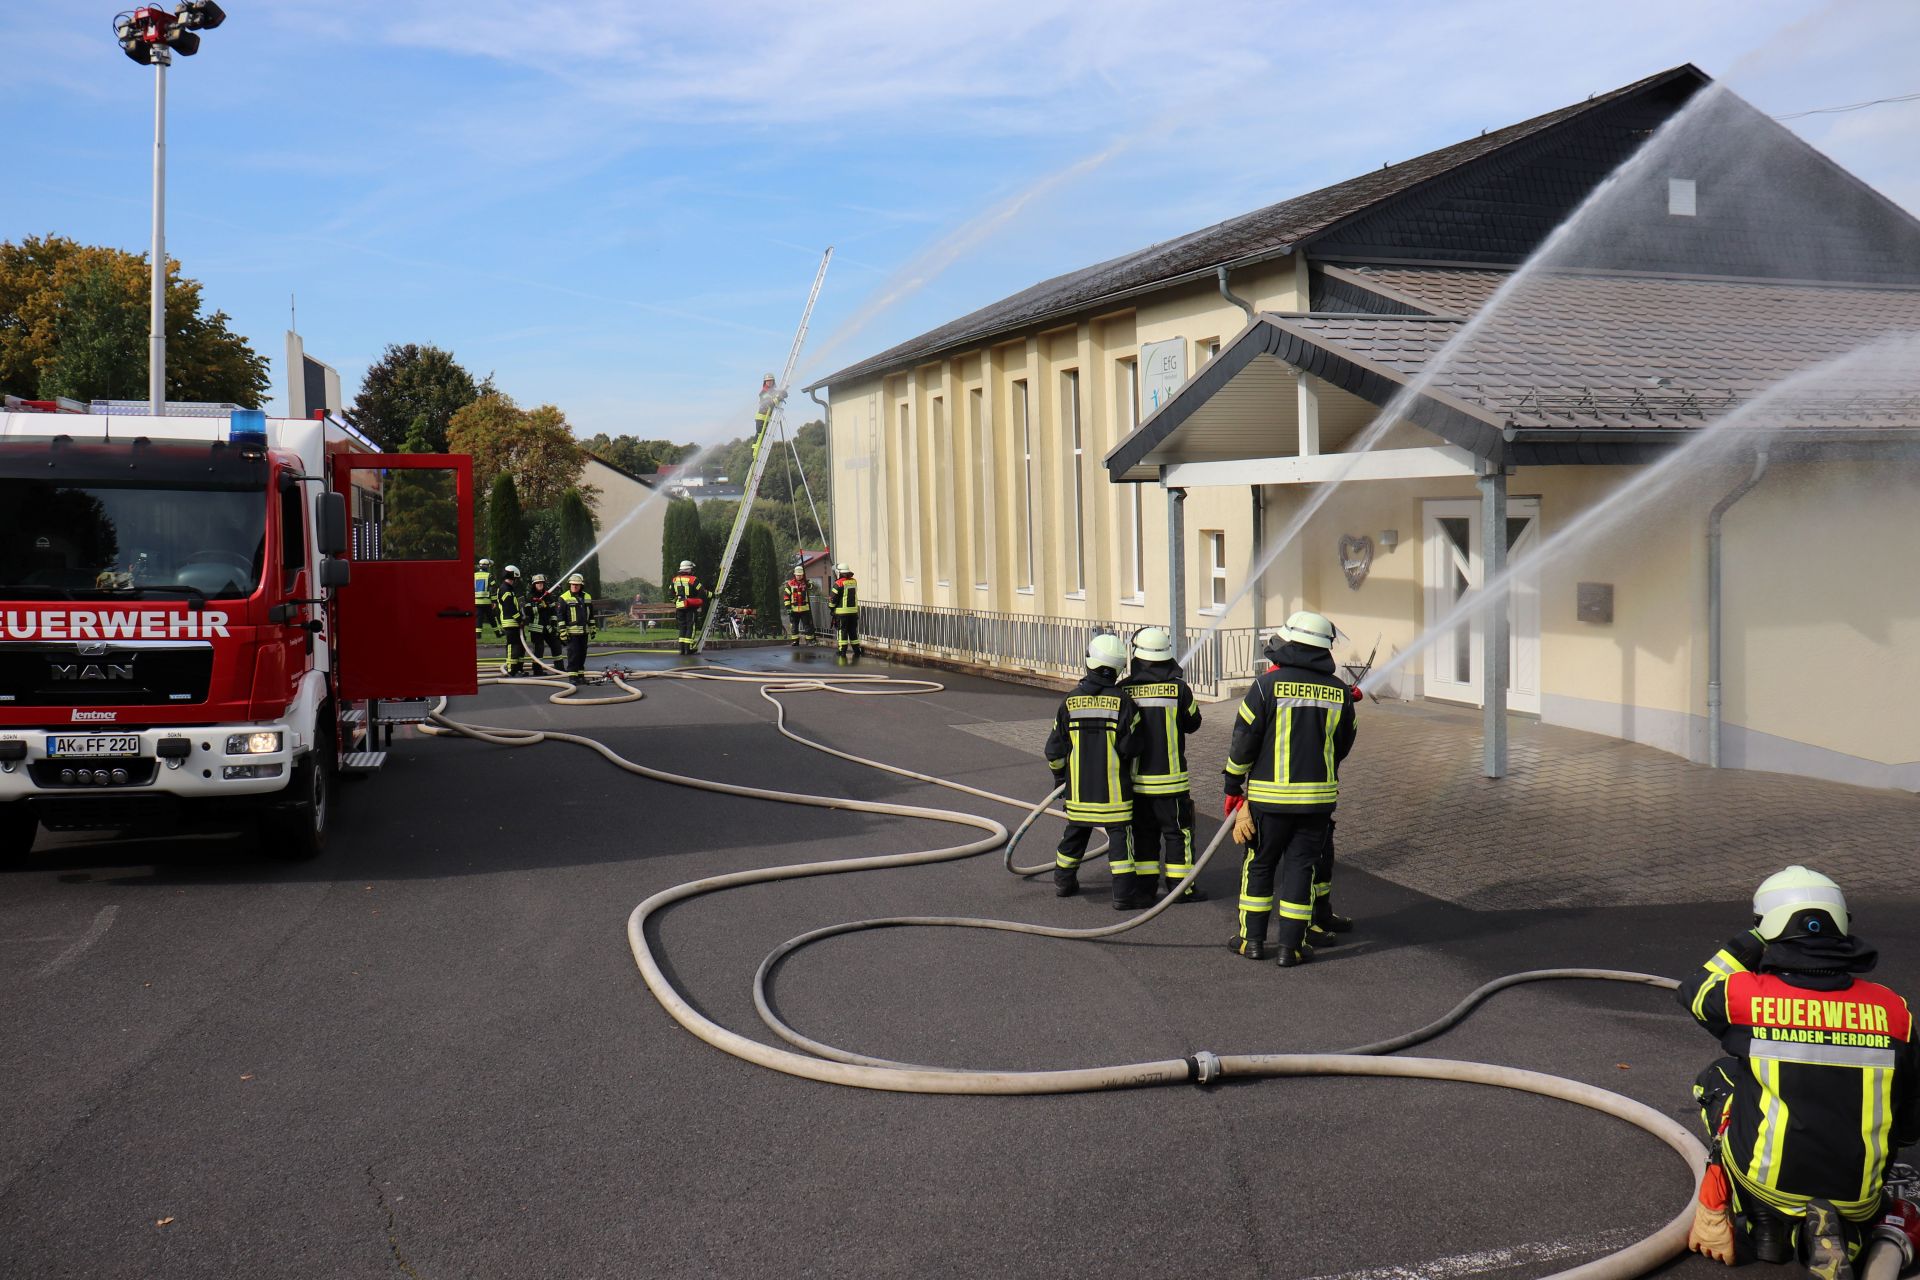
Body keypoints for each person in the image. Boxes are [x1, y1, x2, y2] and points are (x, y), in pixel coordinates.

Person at [1679, 866, 1920, 1274]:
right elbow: (1911, 1123)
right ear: (1842, 928)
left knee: (1719, 1081)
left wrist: (1752, 939)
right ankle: (1846, 1233)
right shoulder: (1893, 1009)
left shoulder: (1747, 997)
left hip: (1768, 1183)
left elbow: (1695, 989)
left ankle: (1765, 1224)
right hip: (1857, 1194)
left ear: (1769, 927)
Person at [1223, 610, 1357, 967]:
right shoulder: (1339, 692)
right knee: (1302, 869)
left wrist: (1233, 783)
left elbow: (1244, 740)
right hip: (1317, 802)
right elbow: (1343, 744)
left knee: (1260, 865)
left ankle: (1251, 942)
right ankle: (1290, 948)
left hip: (1268, 801)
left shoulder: (1266, 686)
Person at [1045, 634, 1149, 911]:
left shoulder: (1069, 702)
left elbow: (1054, 751)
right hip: (1115, 794)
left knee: (1075, 836)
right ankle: (1123, 896)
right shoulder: (1124, 703)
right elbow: (1134, 747)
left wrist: (1060, 780)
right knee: (1120, 844)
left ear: (1090, 662)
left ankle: (1063, 882)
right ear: (1117, 668)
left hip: (1079, 792)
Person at [1120, 627, 1206, 903]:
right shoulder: (1179, 690)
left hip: (1136, 782)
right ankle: (1181, 888)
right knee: (1178, 834)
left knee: (1144, 834)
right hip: (1172, 782)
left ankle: (1145, 889)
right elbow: (1194, 722)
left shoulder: (1123, 691)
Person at [556, 572, 595, 683]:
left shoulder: (587, 597)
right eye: (572, 584)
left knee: (582, 654)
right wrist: (563, 632)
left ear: (581, 585)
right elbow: (560, 617)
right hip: (572, 633)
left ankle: (580, 675)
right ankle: (572, 677)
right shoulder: (563, 598)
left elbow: (591, 614)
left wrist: (592, 628)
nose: (574, 586)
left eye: (577, 584)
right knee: (573, 654)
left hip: (584, 632)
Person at [494, 564, 528, 676]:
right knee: (513, 646)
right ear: (513, 577)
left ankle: (519, 669)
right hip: (510, 623)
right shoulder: (505, 589)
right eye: (516, 579)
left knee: (520, 646)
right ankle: (511, 670)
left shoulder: (508, 589)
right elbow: (509, 607)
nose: (516, 581)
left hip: (514, 623)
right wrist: (520, 619)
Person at [671, 560, 708, 656]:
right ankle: (688, 649)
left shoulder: (675, 579)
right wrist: (712, 595)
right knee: (690, 627)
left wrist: (677, 601)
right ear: (689, 569)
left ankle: (682, 650)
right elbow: (702, 592)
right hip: (690, 607)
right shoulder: (693, 579)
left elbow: (670, 594)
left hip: (680, 607)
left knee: (682, 627)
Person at [525, 572, 560, 668]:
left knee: (556, 645)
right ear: (534, 585)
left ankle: (560, 667)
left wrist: (553, 623)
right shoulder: (530, 597)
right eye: (537, 583)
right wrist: (539, 607)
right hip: (536, 628)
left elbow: (553, 611)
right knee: (539, 649)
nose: (540, 584)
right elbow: (528, 611)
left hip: (548, 627)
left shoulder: (548, 596)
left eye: (541, 582)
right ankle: (537, 670)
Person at [830, 563, 860, 662]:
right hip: (853, 612)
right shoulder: (854, 581)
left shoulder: (838, 583)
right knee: (852, 631)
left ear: (839, 572)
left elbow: (833, 599)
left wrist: (831, 609)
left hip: (842, 613)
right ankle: (856, 650)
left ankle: (842, 651)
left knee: (842, 631)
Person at [783, 564, 813, 645]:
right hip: (794, 609)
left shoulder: (806, 582)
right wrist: (788, 607)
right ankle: (795, 641)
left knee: (807, 625)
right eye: (797, 575)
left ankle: (809, 641)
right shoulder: (790, 584)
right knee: (794, 625)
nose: (799, 576)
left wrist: (807, 583)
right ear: (795, 575)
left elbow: (811, 587)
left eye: (800, 575)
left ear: (803, 575)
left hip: (805, 609)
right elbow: (786, 597)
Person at [473, 558, 494, 638]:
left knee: (478, 619)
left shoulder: (474, 575)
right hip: (487, 601)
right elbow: (493, 587)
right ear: (487, 566)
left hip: (476, 601)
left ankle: (478, 635)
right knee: (492, 618)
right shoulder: (489, 575)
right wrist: (494, 601)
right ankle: (498, 633)